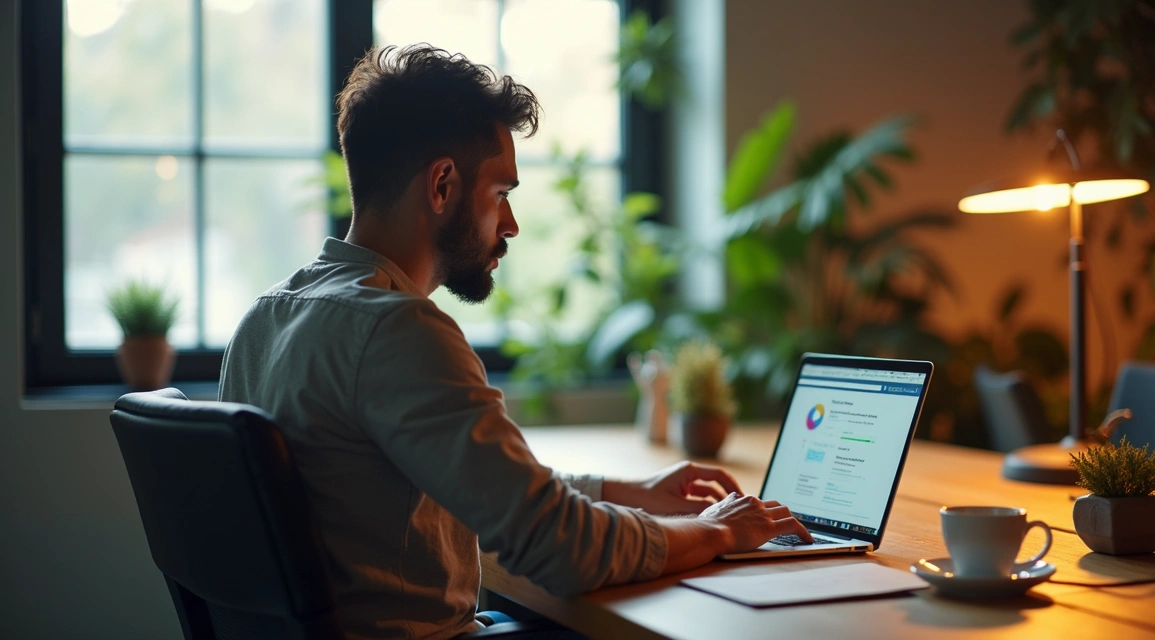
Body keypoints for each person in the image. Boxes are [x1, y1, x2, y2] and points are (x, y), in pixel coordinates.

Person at [218, 44, 811, 639]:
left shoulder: (262, 322)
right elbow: (562, 549)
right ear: (442, 184)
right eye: (501, 193)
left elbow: (468, 488)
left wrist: (625, 492)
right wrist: (718, 529)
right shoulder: (397, 331)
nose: (512, 225)